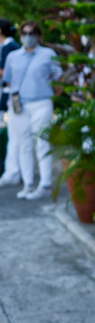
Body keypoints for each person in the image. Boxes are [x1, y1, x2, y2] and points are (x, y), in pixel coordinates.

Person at [3, 21, 63, 199]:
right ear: (20, 35)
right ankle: (28, 184)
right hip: (19, 105)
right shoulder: (13, 56)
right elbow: (8, 80)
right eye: (25, 33)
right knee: (24, 144)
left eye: (32, 33)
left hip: (42, 104)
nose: (28, 36)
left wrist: (54, 92)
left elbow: (59, 77)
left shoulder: (48, 54)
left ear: (38, 35)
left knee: (42, 143)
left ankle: (45, 185)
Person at [0, 18, 21, 186]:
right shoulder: (10, 47)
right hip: (12, 96)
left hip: (13, 96)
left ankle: (13, 171)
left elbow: (6, 75)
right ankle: (12, 170)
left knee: (15, 133)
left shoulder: (10, 48)